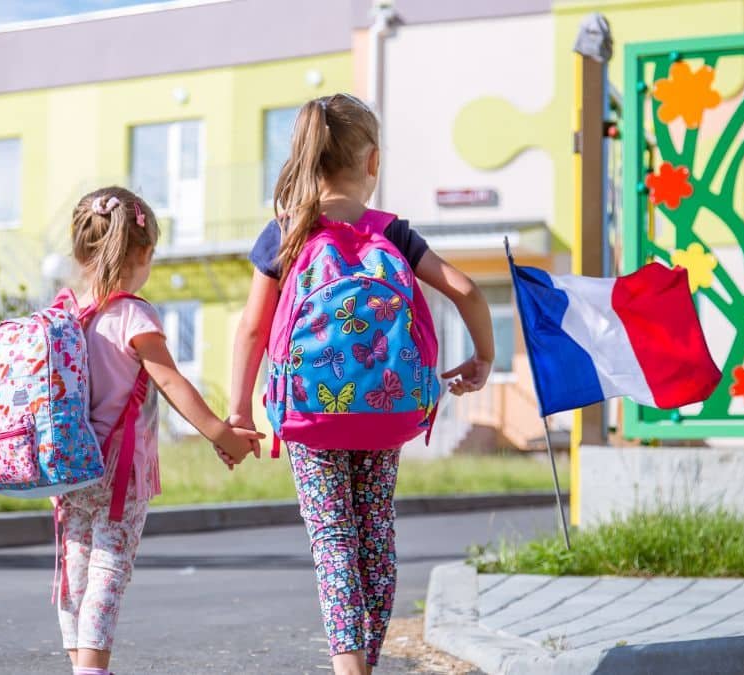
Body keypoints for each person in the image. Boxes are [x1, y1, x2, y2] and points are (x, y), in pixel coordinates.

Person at [225, 94, 495, 675]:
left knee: (333, 540)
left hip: (308, 413)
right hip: (384, 407)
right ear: (372, 162)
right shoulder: (392, 232)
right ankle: (365, 662)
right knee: (374, 534)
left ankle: (350, 667)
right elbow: (467, 290)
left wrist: (238, 411)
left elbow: (252, 329)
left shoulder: (286, 234)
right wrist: (483, 357)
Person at [56, 187, 260, 675]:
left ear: (80, 249)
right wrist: (222, 434)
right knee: (108, 570)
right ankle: (92, 670)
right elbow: (171, 381)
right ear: (143, 254)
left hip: (67, 466)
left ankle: (79, 667)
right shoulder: (133, 314)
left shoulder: (62, 310)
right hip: (120, 474)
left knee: (74, 573)